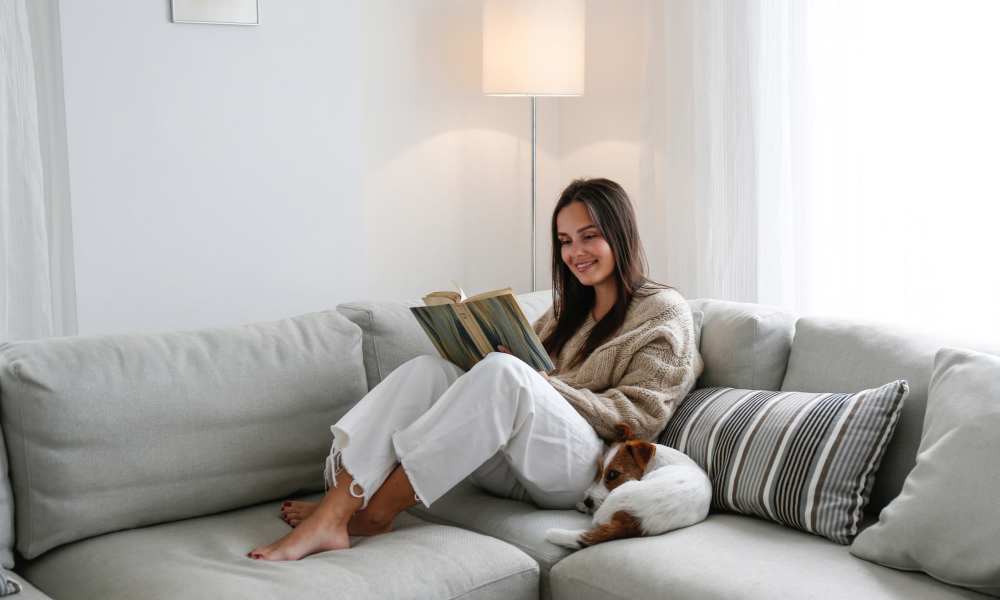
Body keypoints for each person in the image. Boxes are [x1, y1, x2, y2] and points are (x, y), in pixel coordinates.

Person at [248, 177, 704, 561]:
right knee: (427, 371)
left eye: (589, 236)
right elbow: (520, 382)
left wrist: (538, 382)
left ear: (620, 235)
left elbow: (641, 419)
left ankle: (373, 515)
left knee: (506, 374)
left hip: (584, 469)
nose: (575, 252)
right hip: (521, 459)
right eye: (565, 241)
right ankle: (336, 510)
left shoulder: (663, 312)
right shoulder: (565, 311)